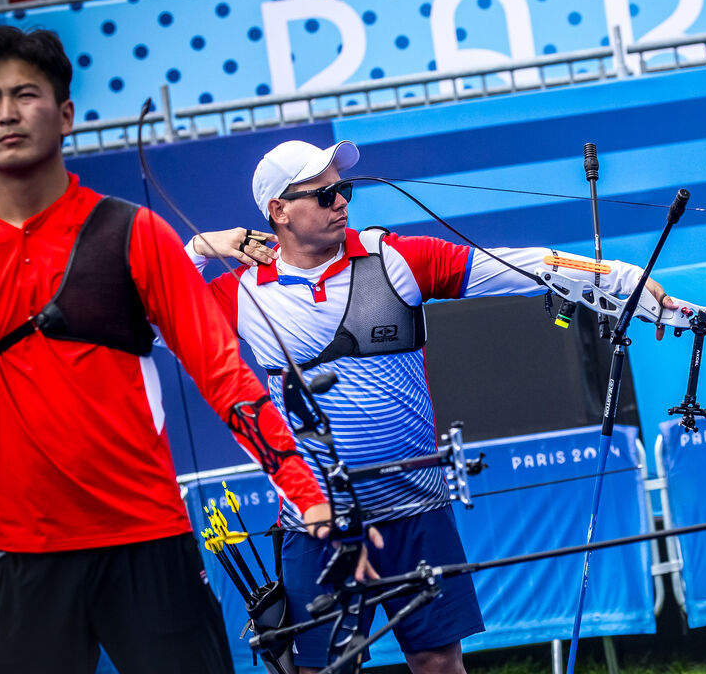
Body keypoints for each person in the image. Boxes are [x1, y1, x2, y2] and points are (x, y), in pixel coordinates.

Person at [187, 139, 679, 674]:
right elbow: (154, 324)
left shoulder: (394, 259)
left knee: (439, 663)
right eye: (324, 193)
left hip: (414, 509)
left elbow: (516, 265)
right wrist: (199, 248)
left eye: (343, 189)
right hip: (316, 520)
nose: (341, 202)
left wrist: (624, 278)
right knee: (319, 672)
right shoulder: (242, 293)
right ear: (277, 211)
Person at [0, 26, 333, 674]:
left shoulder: (134, 234)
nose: (8, 112)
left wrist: (301, 484)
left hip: (146, 539)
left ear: (66, 113)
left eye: (26, 94)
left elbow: (222, 374)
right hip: (20, 550)